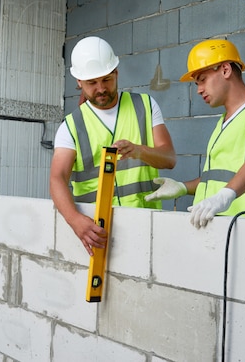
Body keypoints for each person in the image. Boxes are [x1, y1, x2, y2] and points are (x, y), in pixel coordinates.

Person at [50, 36, 176, 255]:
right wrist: (75, 221)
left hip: (145, 227)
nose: (101, 89)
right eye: (92, 83)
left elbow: (169, 159)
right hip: (95, 233)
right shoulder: (70, 126)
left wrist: (139, 151)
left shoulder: (145, 106)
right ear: (79, 81)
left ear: (116, 72)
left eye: (106, 79)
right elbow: (57, 178)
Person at [145, 39, 245, 228]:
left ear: (225, 70)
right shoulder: (223, 122)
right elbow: (216, 179)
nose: (198, 90)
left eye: (202, 80)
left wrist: (224, 196)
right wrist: (182, 187)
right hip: (219, 230)